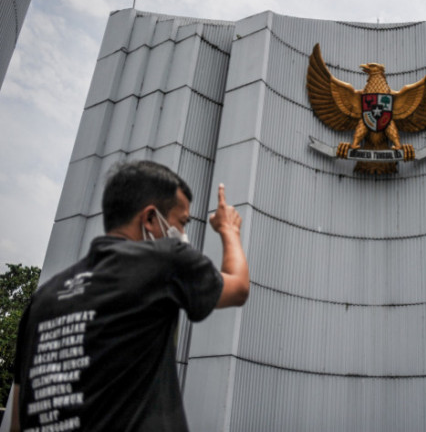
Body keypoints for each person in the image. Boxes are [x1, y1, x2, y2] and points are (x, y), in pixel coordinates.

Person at [10, 160, 250, 432]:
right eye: (181, 223)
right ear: (149, 218)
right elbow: (238, 287)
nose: (182, 234)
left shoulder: (42, 300)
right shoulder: (165, 260)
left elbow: (17, 420)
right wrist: (229, 230)